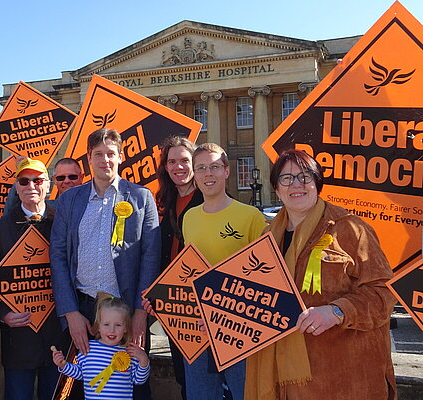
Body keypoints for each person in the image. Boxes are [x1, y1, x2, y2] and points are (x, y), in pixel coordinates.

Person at [245, 149, 397, 399]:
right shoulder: (266, 238)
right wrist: (222, 323)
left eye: (305, 176)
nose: (296, 184)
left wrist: (338, 312)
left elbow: (384, 294)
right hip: (286, 384)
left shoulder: (351, 228)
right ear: (276, 187)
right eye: (286, 178)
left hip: (343, 380)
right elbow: (255, 301)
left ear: (317, 183)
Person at [50, 128, 160, 399]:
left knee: (133, 386)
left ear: (121, 156)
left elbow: (150, 257)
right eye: (98, 154)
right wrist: (70, 312)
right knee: (78, 389)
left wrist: (139, 312)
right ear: (89, 158)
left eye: (111, 153)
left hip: (124, 312)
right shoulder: (69, 200)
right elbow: (59, 257)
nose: (105, 160)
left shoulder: (141, 197)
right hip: (83, 310)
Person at [182, 143, 266, 400]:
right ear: (194, 175)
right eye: (202, 168)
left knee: (245, 394)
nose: (208, 174)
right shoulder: (189, 217)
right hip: (196, 327)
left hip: (238, 328)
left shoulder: (251, 216)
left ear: (227, 171)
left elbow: (263, 274)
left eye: (215, 167)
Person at [0, 157, 69, 400]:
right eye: (24, 181)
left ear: (48, 185)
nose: (31, 185)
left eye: (38, 180)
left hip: (58, 332)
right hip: (19, 336)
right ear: (16, 186)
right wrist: (2, 314)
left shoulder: (63, 222)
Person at [154, 136, 203, 400]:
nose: (178, 167)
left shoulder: (210, 198)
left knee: (206, 381)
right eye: (171, 161)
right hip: (174, 304)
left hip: (202, 306)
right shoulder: (165, 201)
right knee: (184, 378)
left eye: (184, 160)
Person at [52, 292, 150, 400]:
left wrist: (144, 360)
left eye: (118, 325)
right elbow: (80, 373)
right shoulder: (88, 348)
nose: (112, 330)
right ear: (98, 326)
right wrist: (63, 365)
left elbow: (139, 380)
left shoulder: (130, 352)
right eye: (106, 324)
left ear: (126, 328)